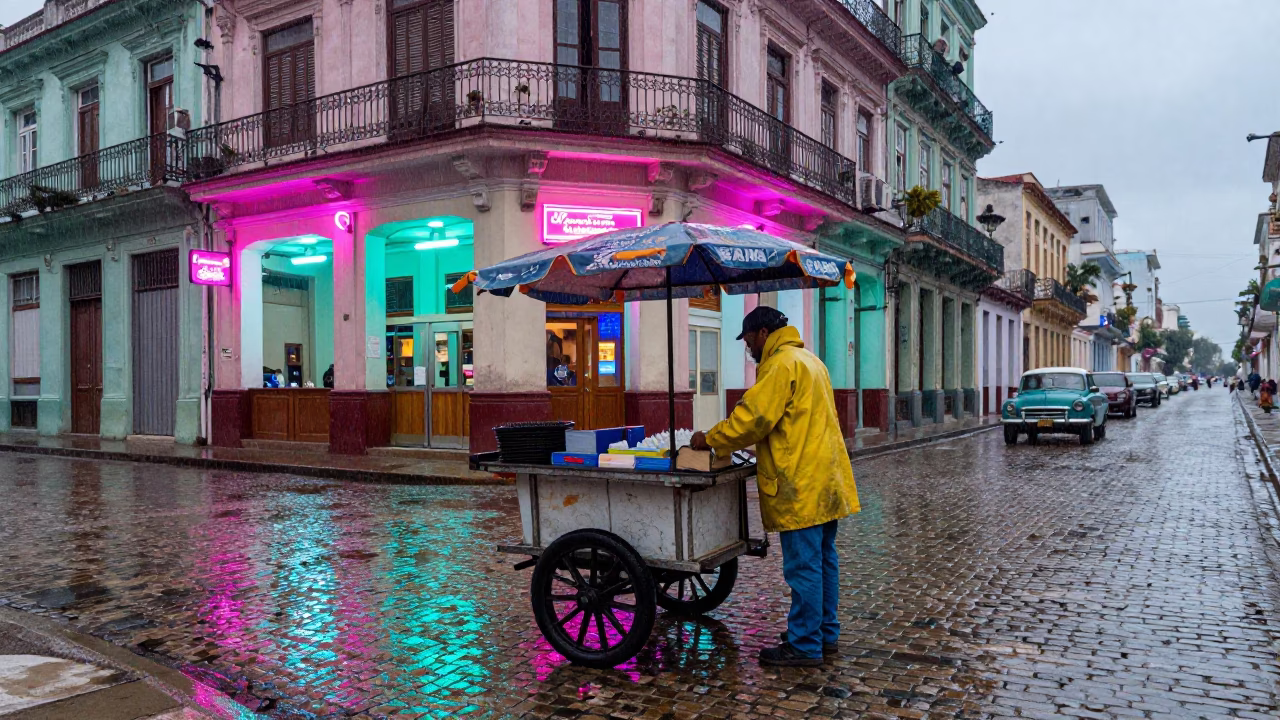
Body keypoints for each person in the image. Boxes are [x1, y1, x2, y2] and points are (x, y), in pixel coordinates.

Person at [690, 306, 859, 667]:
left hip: (801, 482)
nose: (749, 348)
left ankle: (805, 644)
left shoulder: (780, 365)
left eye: (750, 339)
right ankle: (823, 632)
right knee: (823, 560)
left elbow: (753, 420)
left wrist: (711, 439)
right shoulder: (811, 361)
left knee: (804, 566)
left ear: (764, 333)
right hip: (825, 479)